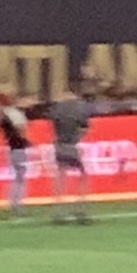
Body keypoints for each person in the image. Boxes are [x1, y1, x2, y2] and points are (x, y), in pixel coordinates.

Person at [46, 80, 94, 222]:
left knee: (61, 175)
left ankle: (58, 208)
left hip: (59, 145)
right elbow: (85, 127)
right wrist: (76, 138)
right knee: (83, 175)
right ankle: (80, 208)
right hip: (71, 146)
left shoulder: (57, 107)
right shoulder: (80, 107)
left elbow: (51, 124)